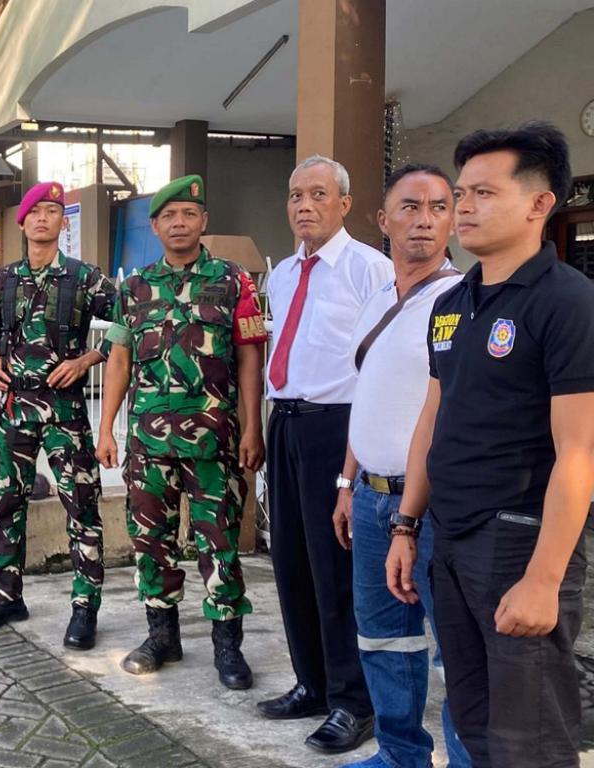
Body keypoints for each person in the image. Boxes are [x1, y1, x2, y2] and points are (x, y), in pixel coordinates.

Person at [386, 122, 594, 768]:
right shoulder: (452, 304)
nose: (464, 207)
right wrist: (406, 526)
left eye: (484, 192)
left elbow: (580, 452)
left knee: (530, 738)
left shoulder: (568, 303)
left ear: (539, 203)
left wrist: (544, 579)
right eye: (461, 193)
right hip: (449, 541)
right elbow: (433, 419)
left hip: (519, 543)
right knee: (473, 723)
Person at [95, 174, 267, 689]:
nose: (179, 223)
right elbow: (119, 359)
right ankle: (162, 636)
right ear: (155, 226)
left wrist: (253, 427)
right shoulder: (134, 288)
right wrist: (106, 429)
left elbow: (249, 356)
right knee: (151, 542)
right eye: (169, 216)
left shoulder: (234, 281)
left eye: (189, 214)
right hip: (148, 442)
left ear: (203, 221)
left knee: (219, 541)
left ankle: (227, 645)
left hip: (214, 439)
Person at [331, 164, 470, 768]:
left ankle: (465, 758)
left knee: (456, 647)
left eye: (440, 207)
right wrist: (347, 483)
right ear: (383, 220)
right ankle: (400, 752)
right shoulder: (375, 302)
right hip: (370, 497)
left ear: (453, 221)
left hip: (433, 504)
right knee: (383, 634)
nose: (425, 219)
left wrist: (410, 514)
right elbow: (366, 398)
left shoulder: (462, 301)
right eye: (410, 207)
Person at [258, 155, 392, 754]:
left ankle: (353, 701)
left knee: (335, 565)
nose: (304, 205)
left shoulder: (370, 269)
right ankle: (311, 683)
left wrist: (352, 467)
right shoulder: (284, 273)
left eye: (317, 194)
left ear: (344, 203)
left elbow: (377, 369)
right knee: (290, 560)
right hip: (286, 424)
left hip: (337, 427)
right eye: (295, 195)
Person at [0, 181, 117, 649]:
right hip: (16, 410)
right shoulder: (4, 279)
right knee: (6, 503)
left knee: (81, 506)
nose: (42, 218)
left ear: (62, 222)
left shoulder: (83, 277)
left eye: (52, 211)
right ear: (23, 222)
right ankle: (7, 595)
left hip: (65, 411)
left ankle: (85, 608)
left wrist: (88, 360)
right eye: (35, 212)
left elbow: (129, 322)